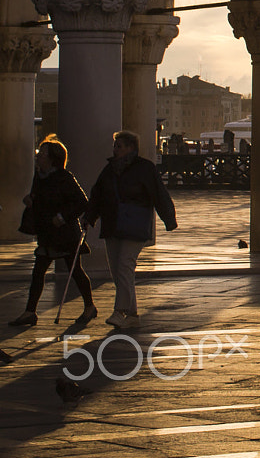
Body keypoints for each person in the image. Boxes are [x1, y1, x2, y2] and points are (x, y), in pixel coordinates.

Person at [85, 130, 177, 330]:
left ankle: (120, 311)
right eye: (115, 146)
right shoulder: (109, 170)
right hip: (112, 224)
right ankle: (133, 314)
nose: (115, 149)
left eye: (119, 146)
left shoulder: (145, 168)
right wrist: (89, 217)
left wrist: (168, 218)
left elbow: (158, 193)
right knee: (118, 271)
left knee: (125, 266)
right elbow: (97, 195)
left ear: (130, 148)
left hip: (135, 224)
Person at [8, 136, 96, 327]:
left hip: (66, 234)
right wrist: (30, 200)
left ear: (52, 158)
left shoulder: (65, 178)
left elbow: (82, 202)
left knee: (76, 271)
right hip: (47, 232)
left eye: (42, 153)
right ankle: (30, 312)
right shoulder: (39, 177)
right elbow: (39, 198)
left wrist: (62, 217)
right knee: (38, 272)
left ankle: (89, 306)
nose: (38, 156)